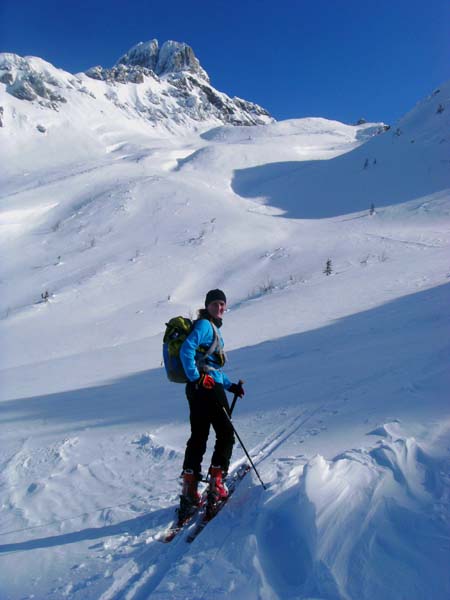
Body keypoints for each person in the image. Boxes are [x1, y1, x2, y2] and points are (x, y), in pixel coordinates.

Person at [178, 289, 244, 518]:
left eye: (223, 304)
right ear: (207, 306)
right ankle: (216, 483)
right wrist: (198, 377)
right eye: (216, 304)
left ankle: (190, 488)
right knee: (225, 433)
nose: (220, 308)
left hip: (197, 388)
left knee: (198, 436)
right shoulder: (205, 326)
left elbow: (210, 366)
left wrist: (229, 385)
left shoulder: (209, 327)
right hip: (205, 386)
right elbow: (187, 350)